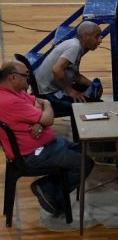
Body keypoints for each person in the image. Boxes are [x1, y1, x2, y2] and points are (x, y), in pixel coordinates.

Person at [0, 60, 92, 218]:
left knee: (82, 150)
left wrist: (41, 122)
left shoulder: (16, 92)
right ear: (13, 78)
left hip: (47, 145)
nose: (28, 79)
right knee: (85, 163)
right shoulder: (9, 101)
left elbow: (38, 102)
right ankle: (47, 188)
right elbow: (48, 117)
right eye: (25, 76)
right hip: (33, 155)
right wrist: (45, 110)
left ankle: (50, 190)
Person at [35, 21, 104, 117]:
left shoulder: (77, 46)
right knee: (93, 106)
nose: (100, 40)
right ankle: (82, 130)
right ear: (84, 36)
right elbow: (57, 70)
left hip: (50, 88)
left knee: (89, 94)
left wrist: (91, 84)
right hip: (48, 95)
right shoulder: (74, 47)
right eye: (97, 36)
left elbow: (75, 75)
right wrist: (70, 91)